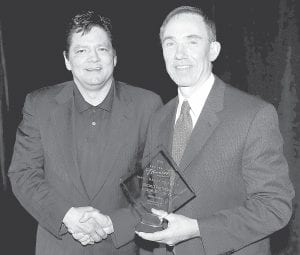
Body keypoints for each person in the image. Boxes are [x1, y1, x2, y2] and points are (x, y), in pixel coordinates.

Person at [134, 6, 295, 255]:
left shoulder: (253, 114)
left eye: (192, 41)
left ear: (213, 50)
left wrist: (198, 229)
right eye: (170, 44)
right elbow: (154, 199)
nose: (180, 54)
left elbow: (275, 206)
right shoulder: (159, 118)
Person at [8, 10, 162, 255]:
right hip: (58, 248)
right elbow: (23, 173)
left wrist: (114, 223)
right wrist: (67, 216)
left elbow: (159, 187)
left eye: (101, 49)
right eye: (81, 50)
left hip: (123, 247)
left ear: (114, 56)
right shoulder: (38, 105)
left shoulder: (148, 105)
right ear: (67, 60)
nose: (93, 59)